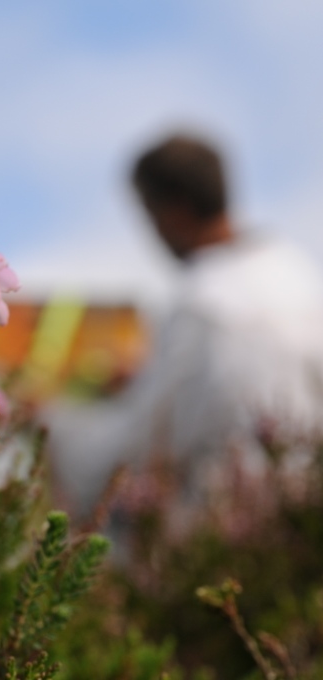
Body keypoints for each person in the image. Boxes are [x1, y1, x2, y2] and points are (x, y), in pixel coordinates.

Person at [44, 133, 323, 524]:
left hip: (229, 538)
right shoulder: (298, 273)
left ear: (175, 210)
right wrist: (144, 380)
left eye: (150, 216)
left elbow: (140, 448)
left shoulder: (203, 304)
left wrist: (54, 426)